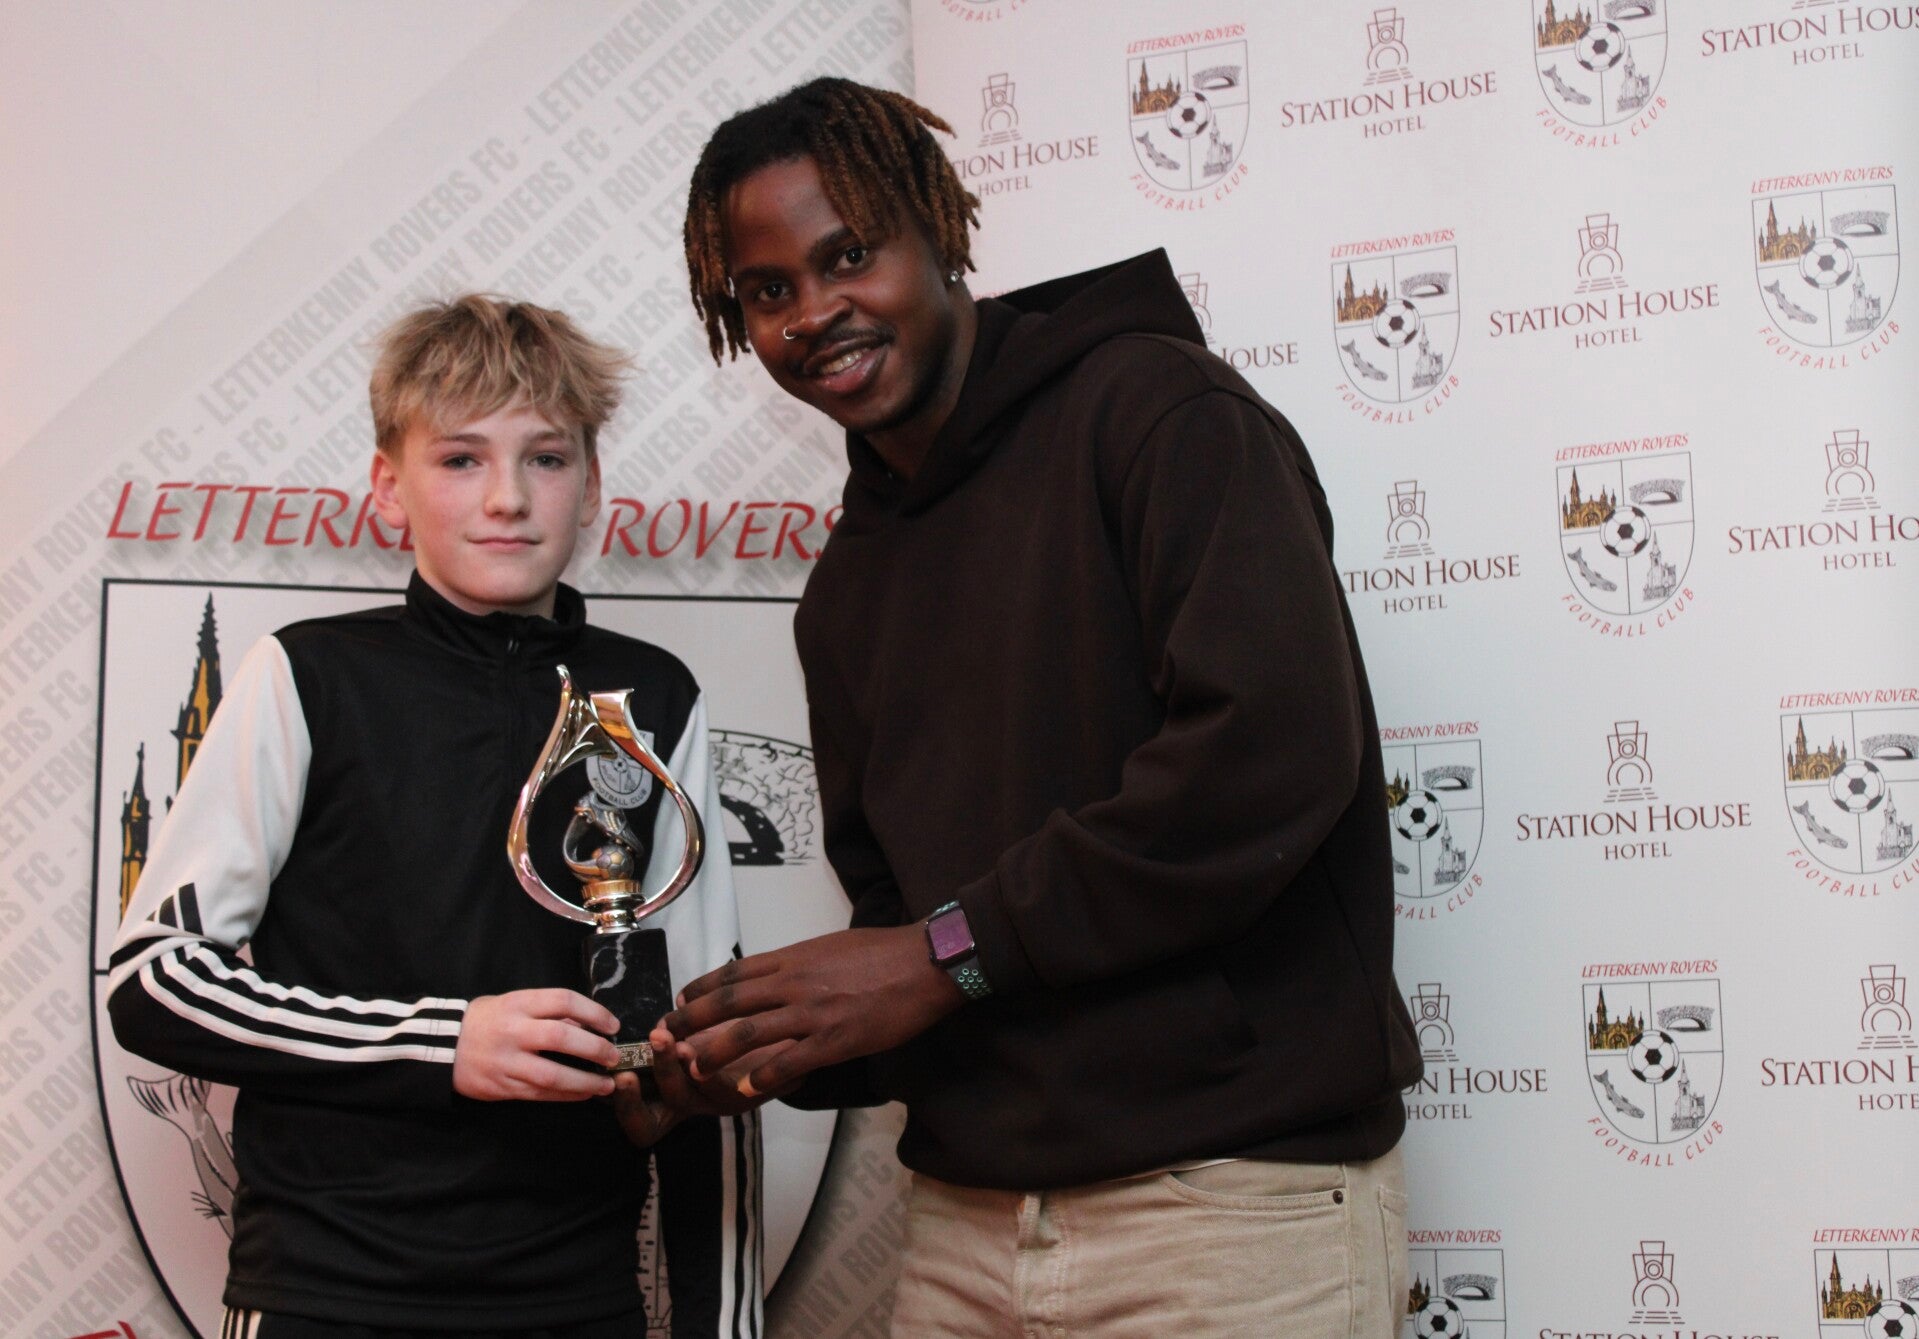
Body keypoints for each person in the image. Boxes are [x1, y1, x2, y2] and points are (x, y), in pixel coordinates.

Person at [654, 78, 1425, 1335]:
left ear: (939, 230)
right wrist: (777, 1049)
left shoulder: (1162, 415)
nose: (815, 312)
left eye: (848, 255)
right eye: (767, 289)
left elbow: (1265, 762)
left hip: (1224, 1211)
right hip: (965, 1227)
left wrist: (939, 955)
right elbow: (916, 931)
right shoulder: (847, 585)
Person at [108, 296, 761, 1339]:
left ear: (592, 482)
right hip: (318, 1294)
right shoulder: (305, 674)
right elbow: (153, 982)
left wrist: (724, 1328)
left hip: (574, 1299)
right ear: (387, 485)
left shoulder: (651, 698)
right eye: (461, 458)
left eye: (546, 457)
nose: (507, 497)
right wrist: (442, 1040)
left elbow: (699, 1048)